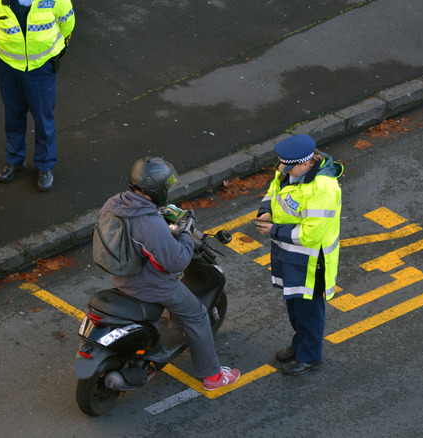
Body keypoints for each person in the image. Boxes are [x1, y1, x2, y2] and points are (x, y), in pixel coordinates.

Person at [99, 157, 241, 390]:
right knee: (196, 314)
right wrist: (184, 232)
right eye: (165, 187)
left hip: (121, 275)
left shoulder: (115, 204)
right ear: (155, 189)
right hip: (149, 284)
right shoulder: (149, 223)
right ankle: (213, 377)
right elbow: (177, 261)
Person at [255, 135, 343, 375]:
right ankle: (299, 344)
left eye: (290, 166)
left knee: (309, 312)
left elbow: (311, 235)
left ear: (306, 163)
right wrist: (265, 211)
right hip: (289, 252)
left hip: (311, 259)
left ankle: (310, 355)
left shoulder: (324, 189)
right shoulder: (288, 169)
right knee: (294, 306)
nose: (284, 170)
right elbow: (274, 191)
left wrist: (274, 230)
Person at [0, 0, 75, 191]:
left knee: (43, 119)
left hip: (41, 67)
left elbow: (68, 24)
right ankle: (14, 160)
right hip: (8, 65)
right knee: (13, 114)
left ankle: (45, 166)